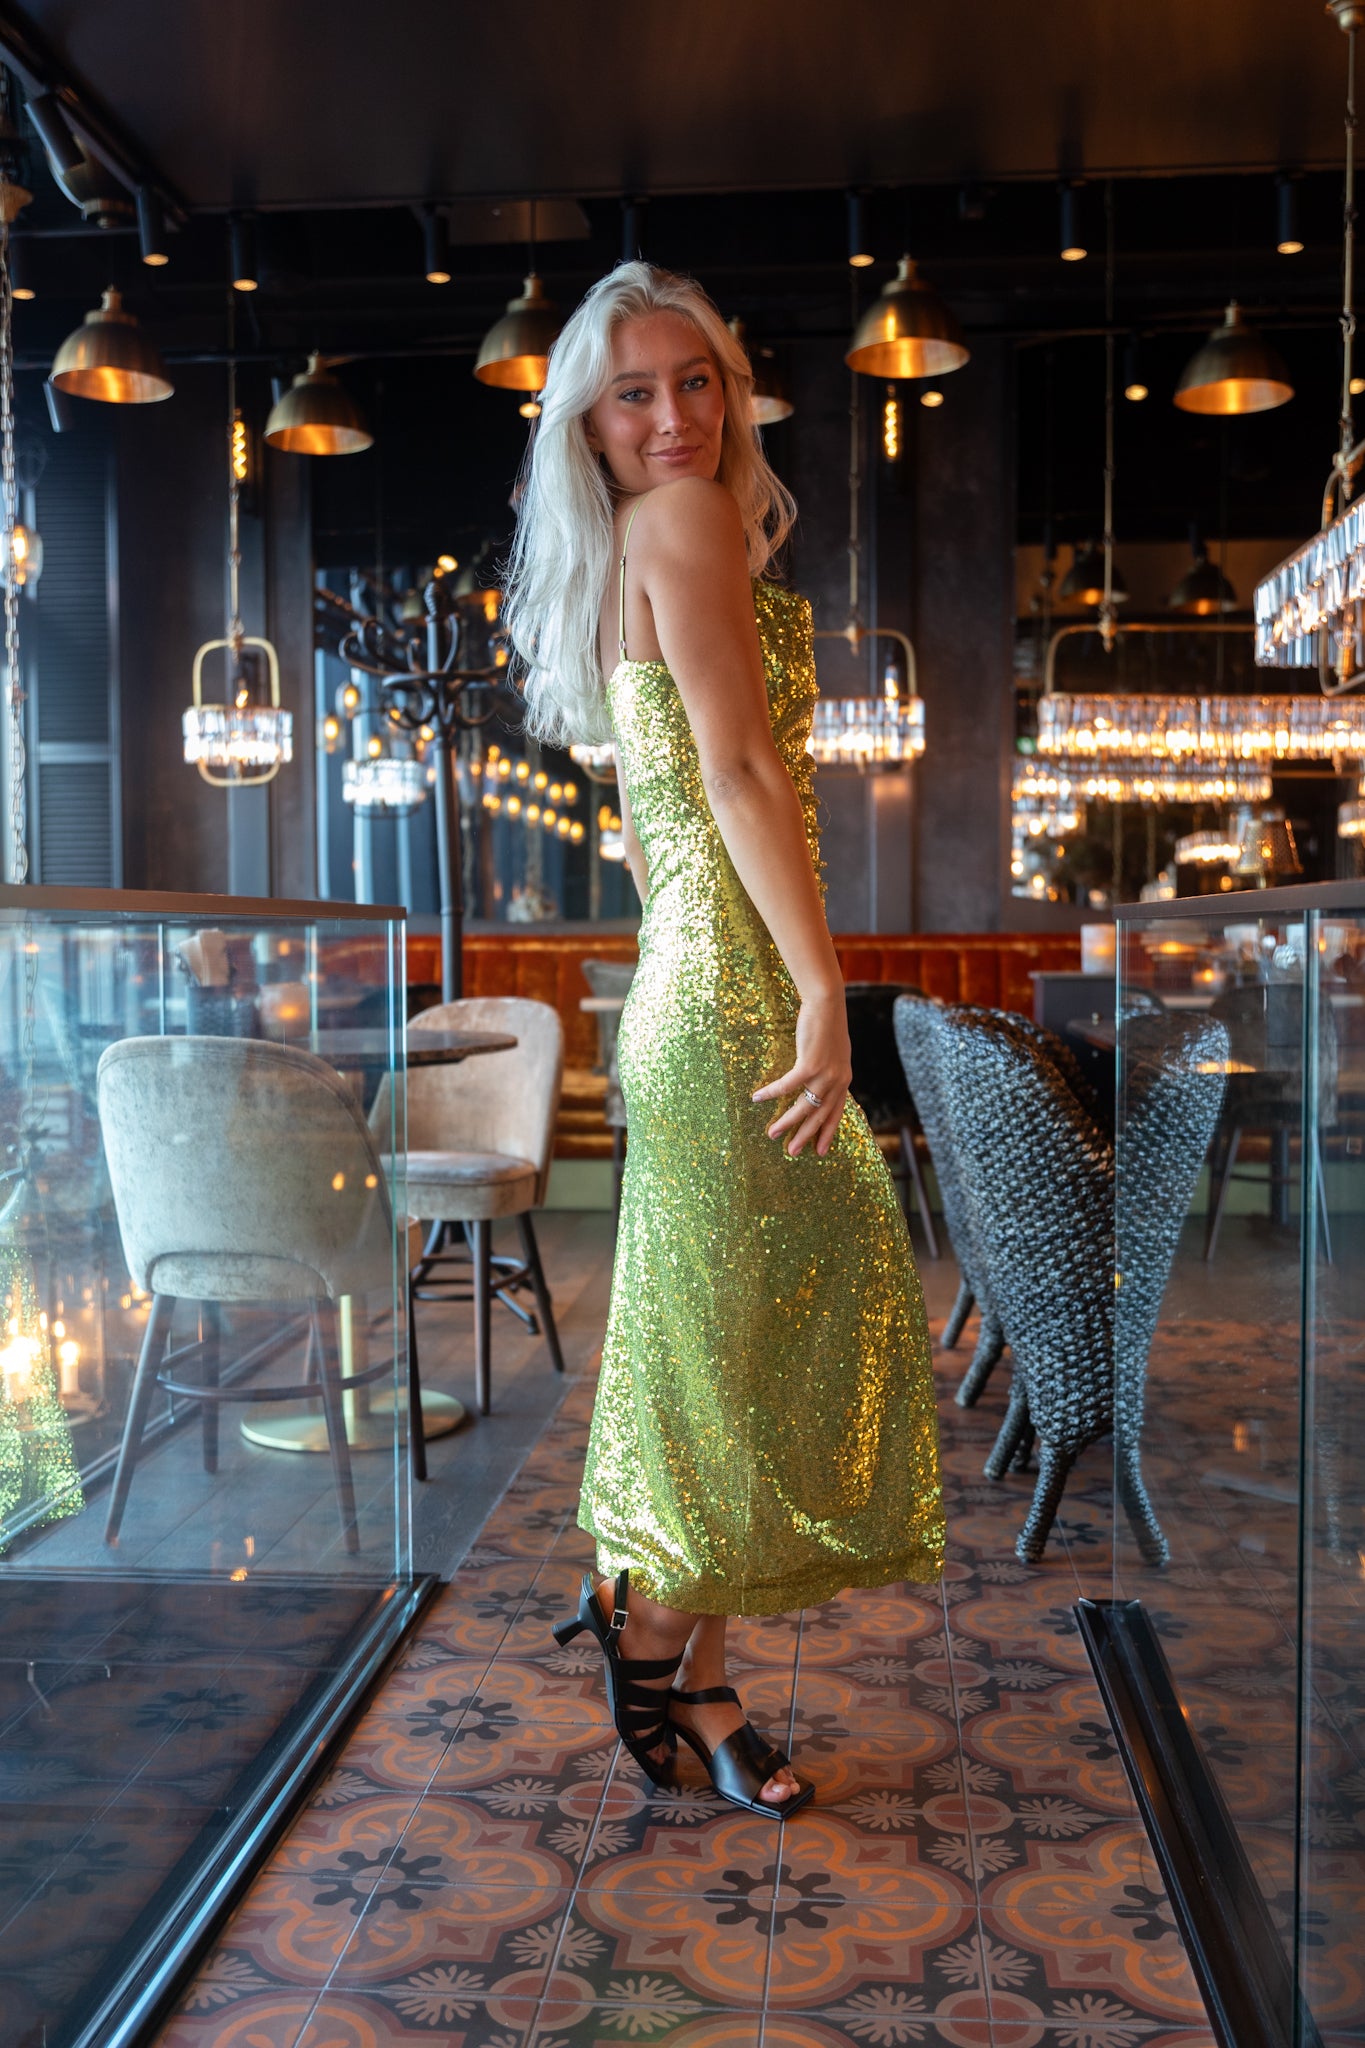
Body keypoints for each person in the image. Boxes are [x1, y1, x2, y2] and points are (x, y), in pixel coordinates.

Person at [505, 261, 943, 1819]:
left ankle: (682, 1663)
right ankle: (647, 1624)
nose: (673, 416)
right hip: (737, 988)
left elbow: (651, 828)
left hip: (687, 978)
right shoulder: (678, 523)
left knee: (730, 1338)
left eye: (695, 380)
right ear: (588, 421)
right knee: (752, 1340)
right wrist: (819, 985)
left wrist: (724, 960)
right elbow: (743, 770)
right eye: (633, 392)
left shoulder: (638, 541)